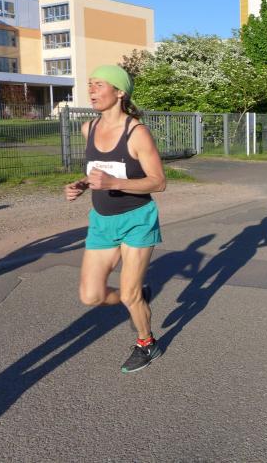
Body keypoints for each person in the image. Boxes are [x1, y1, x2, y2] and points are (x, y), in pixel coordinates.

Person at [63, 65, 166, 373]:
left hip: (137, 219)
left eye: (99, 84)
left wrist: (114, 183)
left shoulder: (137, 133)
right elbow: (97, 170)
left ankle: (147, 343)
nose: (92, 90)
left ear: (120, 92)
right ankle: (135, 298)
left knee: (130, 293)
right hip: (102, 221)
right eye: (90, 84)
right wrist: (82, 184)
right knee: (91, 295)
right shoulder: (89, 129)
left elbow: (158, 182)